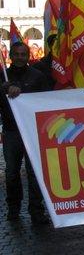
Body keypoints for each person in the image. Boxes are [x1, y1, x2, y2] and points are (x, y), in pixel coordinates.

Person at [1, 41, 50, 225]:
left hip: (32, 132)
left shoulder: (37, 76)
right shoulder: (2, 76)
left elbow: (45, 102)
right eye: (16, 54)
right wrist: (3, 89)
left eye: (23, 54)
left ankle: (37, 210)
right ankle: (13, 209)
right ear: (10, 56)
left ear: (28, 56)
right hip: (11, 131)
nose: (20, 57)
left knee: (34, 172)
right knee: (12, 172)